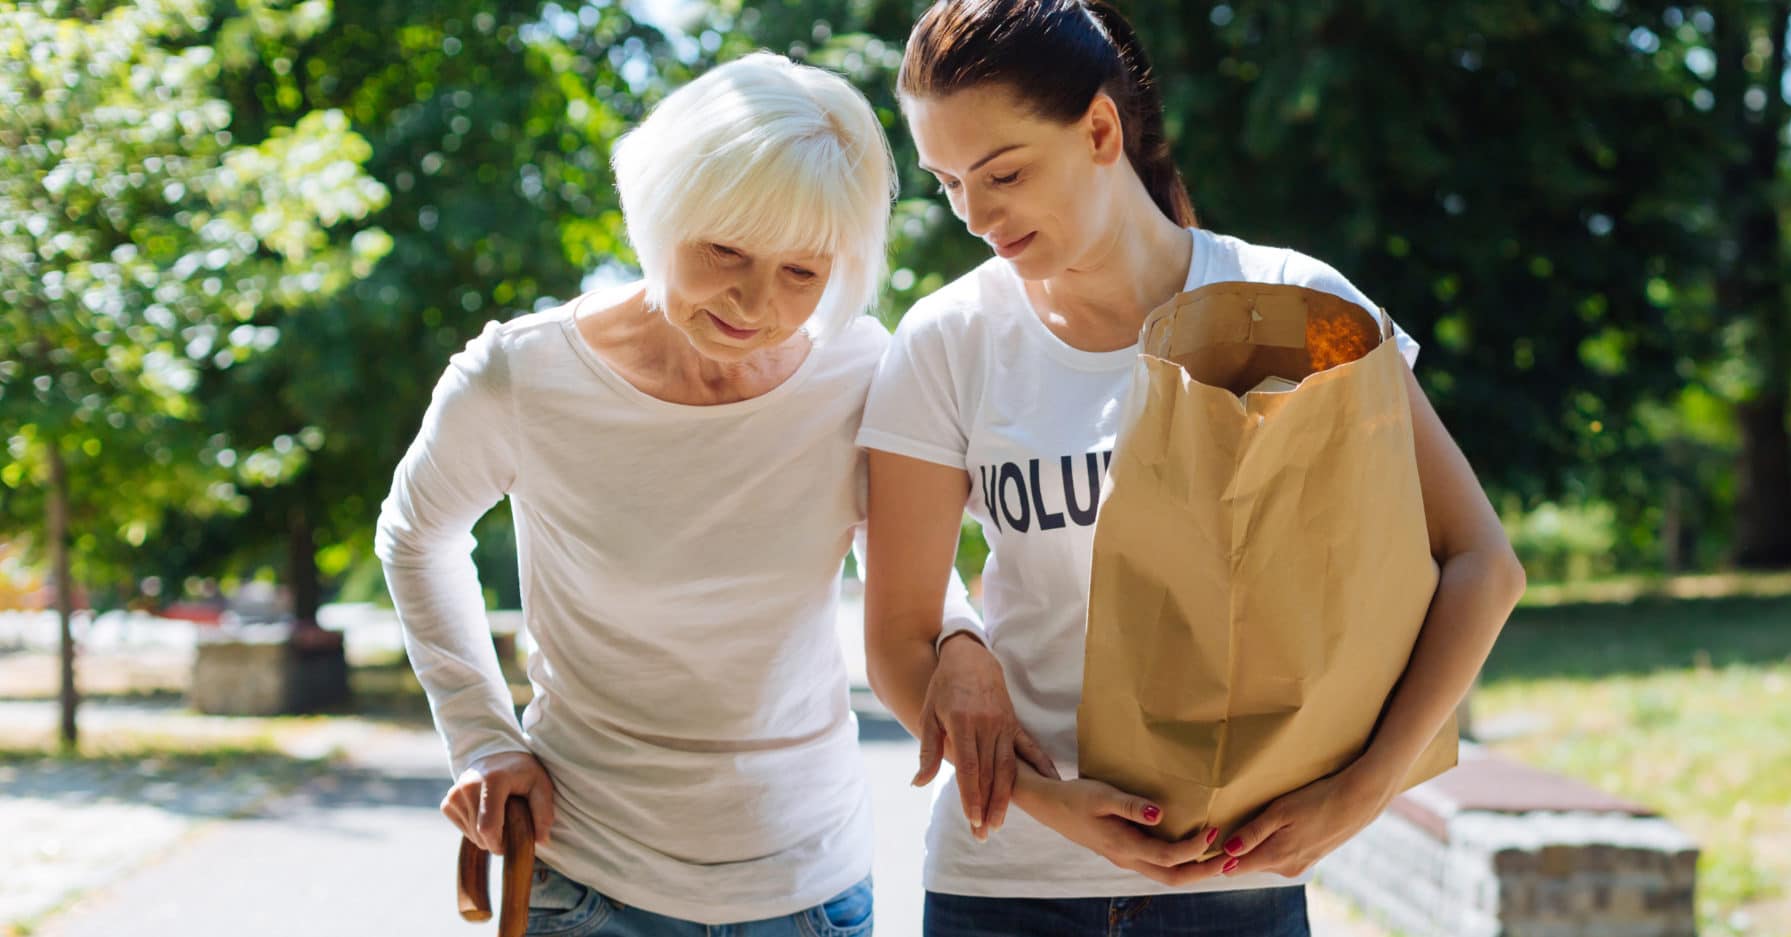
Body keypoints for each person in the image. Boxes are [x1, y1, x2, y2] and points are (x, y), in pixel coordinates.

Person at [856, 3, 1529, 934]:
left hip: (1238, 890)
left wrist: (1362, 792)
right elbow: (898, 636)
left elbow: (1482, 564)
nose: (976, 215)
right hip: (1004, 888)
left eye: (1003, 173)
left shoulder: (1295, 305)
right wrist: (1057, 808)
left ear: (1100, 129)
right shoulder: (948, 340)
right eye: (948, 183)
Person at [376, 51, 957, 937]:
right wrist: (482, 736)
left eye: (804, 272)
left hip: (810, 887)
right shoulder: (522, 374)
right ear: (659, 210)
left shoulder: (864, 370)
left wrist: (964, 644)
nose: (756, 302)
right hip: (592, 877)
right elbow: (416, 534)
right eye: (724, 249)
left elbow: (914, 563)